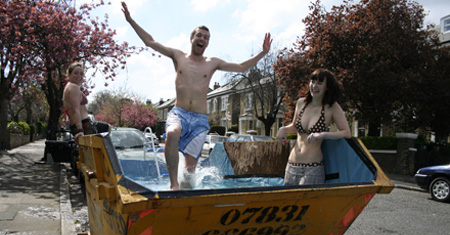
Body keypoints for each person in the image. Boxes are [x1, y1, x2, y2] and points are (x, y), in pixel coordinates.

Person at [121, 2, 272, 190]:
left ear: (208, 43)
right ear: (192, 38)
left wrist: (263, 53)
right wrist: (130, 20)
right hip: (180, 113)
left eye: (206, 37)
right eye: (199, 35)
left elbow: (241, 67)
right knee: (171, 133)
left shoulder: (212, 62)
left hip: (200, 120)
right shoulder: (178, 56)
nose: (202, 39)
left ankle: (185, 191)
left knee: (190, 174)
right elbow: (150, 42)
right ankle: (173, 184)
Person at [276, 68, 351, 186]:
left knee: (307, 204)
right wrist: (283, 129)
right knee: (290, 203)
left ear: (327, 87)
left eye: (319, 83)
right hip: (291, 165)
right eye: (313, 81)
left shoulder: (332, 107)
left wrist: (323, 134)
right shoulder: (301, 103)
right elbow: (295, 126)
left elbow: (346, 132)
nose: (314, 86)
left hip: (312, 168)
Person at [62, 62, 110, 143]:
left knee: (106, 128)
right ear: (69, 74)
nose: (79, 76)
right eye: (76, 73)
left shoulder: (68, 86)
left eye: (81, 74)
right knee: (95, 150)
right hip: (83, 125)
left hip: (79, 124)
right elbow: (75, 110)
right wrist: (80, 130)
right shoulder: (74, 87)